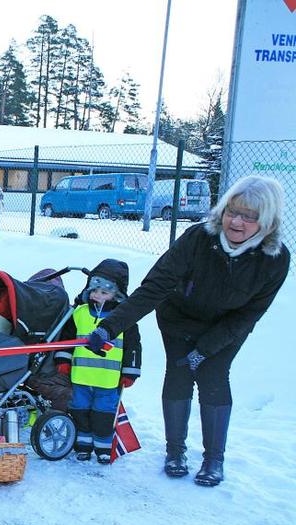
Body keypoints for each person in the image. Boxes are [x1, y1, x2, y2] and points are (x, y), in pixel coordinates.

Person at [86, 176, 289, 487]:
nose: (236, 221)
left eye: (249, 216)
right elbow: (154, 288)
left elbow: (250, 313)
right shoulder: (197, 239)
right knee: (179, 372)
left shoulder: (274, 259)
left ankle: (214, 459)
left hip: (227, 326)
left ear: (267, 222)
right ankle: (175, 452)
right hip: (179, 317)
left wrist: (205, 349)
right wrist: (109, 327)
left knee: (214, 377)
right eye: (232, 211)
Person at [55, 260, 141, 464]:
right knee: (79, 409)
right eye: (94, 290)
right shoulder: (80, 313)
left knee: (103, 413)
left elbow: (133, 347)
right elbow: (67, 338)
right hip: (80, 375)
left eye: (104, 292)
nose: (97, 296)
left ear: (116, 295)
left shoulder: (123, 319)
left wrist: (130, 371)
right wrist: (64, 359)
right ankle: (82, 445)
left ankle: (103, 446)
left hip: (109, 378)